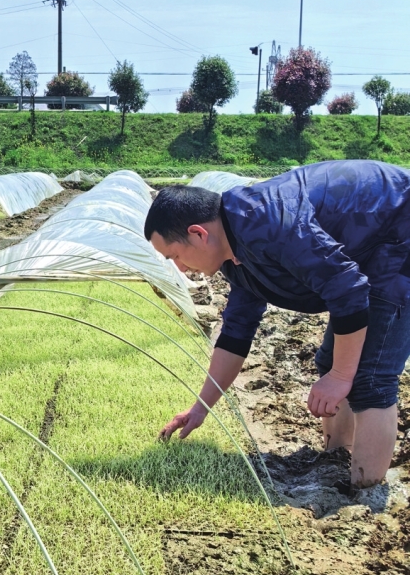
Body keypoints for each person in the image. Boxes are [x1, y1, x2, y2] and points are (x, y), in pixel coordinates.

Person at [144, 160, 410, 489]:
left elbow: (349, 291)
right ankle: (337, 459)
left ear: (198, 234)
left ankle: (364, 493)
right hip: (371, 246)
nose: (181, 270)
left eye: (175, 256)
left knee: (369, 376)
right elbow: (236, 334)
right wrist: (200, 408)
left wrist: (341, 377)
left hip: (400, 230)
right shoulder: (234, 251)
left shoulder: (271, 222)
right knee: (332, 362)